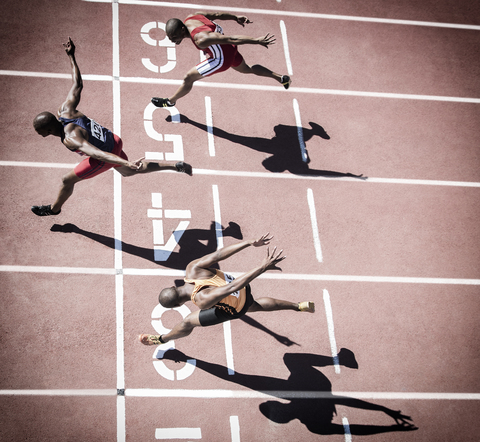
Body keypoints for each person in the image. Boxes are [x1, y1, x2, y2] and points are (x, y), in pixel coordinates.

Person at [32, 37, 192, 217]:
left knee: (67, 180)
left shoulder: (71, 139)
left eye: (38, 132)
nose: (38, 134)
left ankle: (54, 209)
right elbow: (77, 84)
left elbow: (96, 154)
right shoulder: (65, 110)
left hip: (105, 154)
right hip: (113, 140)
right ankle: (174, 166)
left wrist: (123, 161)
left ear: (47, 131)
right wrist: (71, 56)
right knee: (128, 171)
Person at [139, 233, 315, 345]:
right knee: (253, 305)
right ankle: (298, 306)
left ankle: (162, 339)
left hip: (236, 299)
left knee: (187, 322)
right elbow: (218, 254)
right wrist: (248, 242)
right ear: (174, 286)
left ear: (178, 305)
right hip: (243, 287)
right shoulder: (192, 269)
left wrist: (262, 267)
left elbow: (231, 288)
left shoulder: (201, 299)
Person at [151, 12, 291, 108]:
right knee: (247, 68)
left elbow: (231, 38)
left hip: (221, 59)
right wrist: (235, 17)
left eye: (174, 37)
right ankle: (281, 78)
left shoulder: (201, 39)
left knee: (188, 78)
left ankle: (170, 102)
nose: (172, 40)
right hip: (230, 49)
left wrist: (257, 41)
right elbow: (217, 15)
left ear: (182, 30)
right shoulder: (192, 17)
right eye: (170, 38)